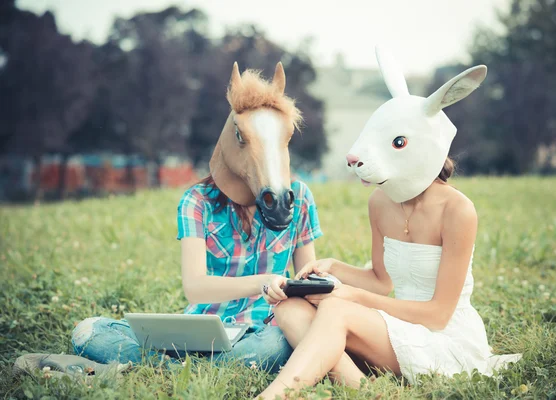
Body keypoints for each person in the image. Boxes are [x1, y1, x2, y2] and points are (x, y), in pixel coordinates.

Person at [257, 46, 521, 399]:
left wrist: (352, 298)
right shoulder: (381, 201)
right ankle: (363, 389)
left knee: (336, 309)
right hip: (396, 329)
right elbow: (381, 282)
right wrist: (332, 268)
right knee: (288, 308)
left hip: (444, 338)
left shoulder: (458, 211)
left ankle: (273, 396)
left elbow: (438, 316)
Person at [71, 61, 323, 373]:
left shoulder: (299, 199)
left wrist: (317, 285)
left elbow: (306, 279)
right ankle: (198, 365)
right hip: (203, 328)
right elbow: (195, 288)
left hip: (264, 331)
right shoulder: (196, 201)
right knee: (87, 331)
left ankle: (163, 367)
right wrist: (264, 282)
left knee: (273, 346)